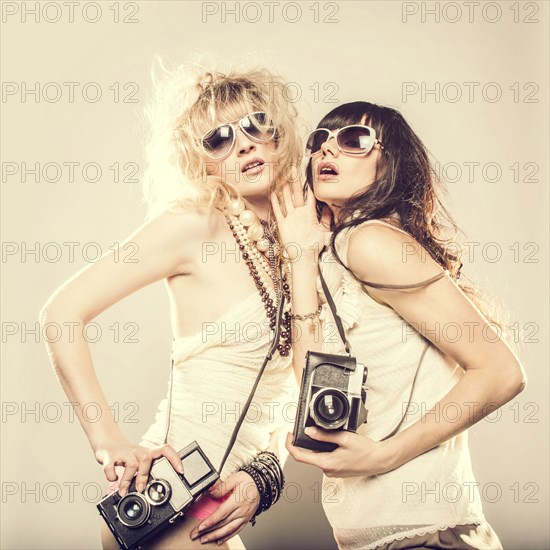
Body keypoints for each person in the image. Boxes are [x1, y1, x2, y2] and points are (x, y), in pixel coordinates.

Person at [40, 63, 301, 549]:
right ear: (200, 163)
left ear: (277, 133)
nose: (242, 144)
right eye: (218, 139)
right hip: (167, 503)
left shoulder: (297, 242)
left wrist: (263, 479)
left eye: (254, 124)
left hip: (221, 504)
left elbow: (291, 393)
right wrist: (109, 443)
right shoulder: (192, 226)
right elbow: (61, 315)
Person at [272, 101, 526, 550]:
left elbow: (501, 373)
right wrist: (300, 257)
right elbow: (310, 388)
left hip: (428, 535)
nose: (328, 148)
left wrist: (384, 455)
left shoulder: (371, 242)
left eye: (353, 140)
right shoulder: (334, 251)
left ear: (389, 163)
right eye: (320, 140)